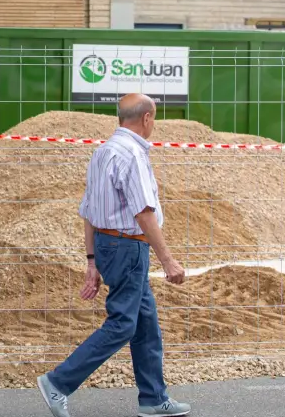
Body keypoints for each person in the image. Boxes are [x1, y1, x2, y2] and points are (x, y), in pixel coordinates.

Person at [37, 93, 190, 417]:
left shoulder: (103, 152)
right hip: (128, 248)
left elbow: (89, 211)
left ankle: (153, 398)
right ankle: (57, 382)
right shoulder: (133, 155)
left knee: (145, 324)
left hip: (109, 247)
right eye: (155, 118)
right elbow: (144, 213)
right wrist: (167, 260)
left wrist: (92, 262)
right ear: (147, 118)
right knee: (123, 323)